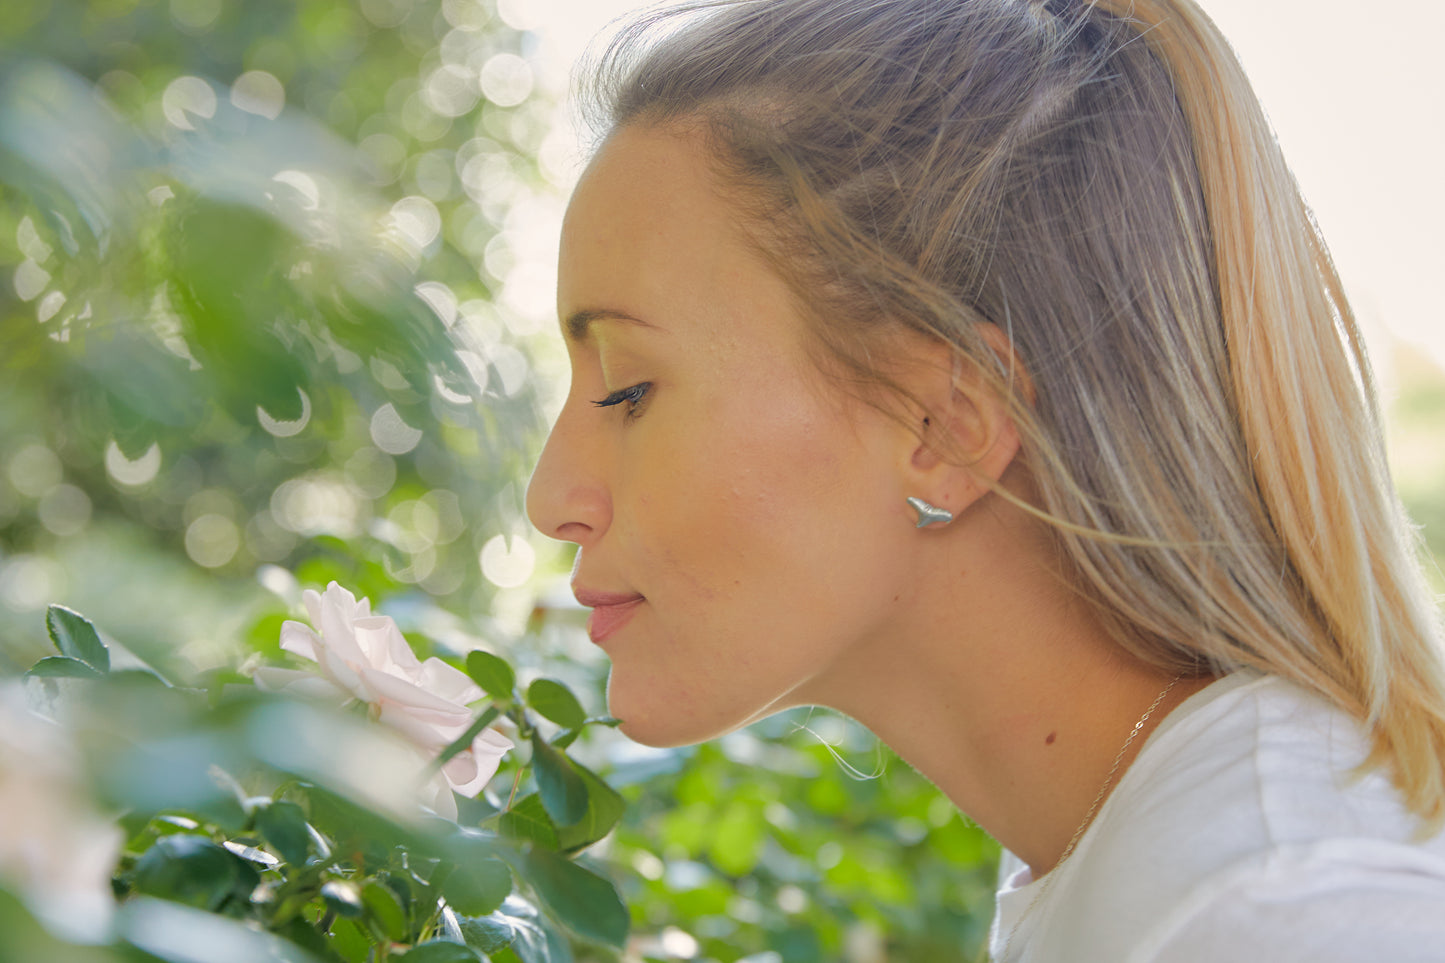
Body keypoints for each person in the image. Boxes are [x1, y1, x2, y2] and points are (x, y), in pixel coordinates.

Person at [524, 0, 1445, 959]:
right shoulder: (1155, 856)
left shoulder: (1286, 912)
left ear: (945, 426)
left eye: (628, 390)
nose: (552, 497)